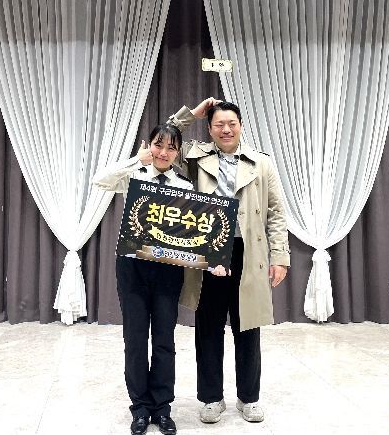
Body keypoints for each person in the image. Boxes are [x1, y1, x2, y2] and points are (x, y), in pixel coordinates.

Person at [167, 98, 290, 423]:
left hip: (248, 252)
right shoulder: (195, 157)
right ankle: (211, 398)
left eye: (231, 124)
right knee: (208, 327)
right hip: (208, 252)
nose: (225, 129)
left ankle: (248, 398)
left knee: (247, 326)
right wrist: (189, 115)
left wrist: (280, 255)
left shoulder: (261, 163)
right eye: (218, 124)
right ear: (209, 129)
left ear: (240, 126)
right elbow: (165, 142)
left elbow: (276, 212)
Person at [92, 124, 192, 435]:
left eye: (171, 147)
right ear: (149, 145)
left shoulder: (185, 186)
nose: (164, 153)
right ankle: (140, 408)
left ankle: (162, 408)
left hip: (168, 270)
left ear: (178, 152)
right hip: (132, 268)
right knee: (135, 340)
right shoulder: (134, 176)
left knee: (164, 340)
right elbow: (99, 180)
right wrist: (137, 159)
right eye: (159, 145)